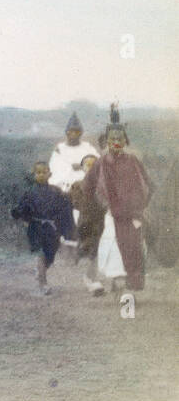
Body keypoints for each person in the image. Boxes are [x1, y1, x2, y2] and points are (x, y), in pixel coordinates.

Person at [81, 110, 151, 292]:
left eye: (120, 140)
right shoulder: (102, 163)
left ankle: (129, 282)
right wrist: (100, 204)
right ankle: (116, 283)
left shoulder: (133, 161)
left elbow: (146, 184)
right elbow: (87, 186)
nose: (116, 143)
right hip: (112, 213)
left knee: (134, 246)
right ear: (107, 141)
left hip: (133, 212)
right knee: (114, 246)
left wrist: (140, 204)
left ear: (125, 141)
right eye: (113, 139)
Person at [11, 161, 76, 294]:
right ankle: (43, 283)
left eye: (43, 172)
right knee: (41, 253)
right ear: (34, 175)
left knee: (50, 256)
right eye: (37, 172)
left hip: (52, 229)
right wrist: (18, 214)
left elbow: (64, 209)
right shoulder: (29, 193)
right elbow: (22, 208)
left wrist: (66, 229)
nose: (41, 175)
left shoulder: (56, 191)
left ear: (49, 174)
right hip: (36, 227)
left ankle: (41, 271)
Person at [70, 154, 106, 294]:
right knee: (90, 248)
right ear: (82, 168)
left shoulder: (103, 186)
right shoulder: (78, 185)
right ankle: (90, 279)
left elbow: (107, 202)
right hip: (85, 221)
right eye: (87, 165)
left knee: (95, 250)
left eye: (94, 165)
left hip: (99, 222)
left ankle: (91, 278)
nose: (91, 168)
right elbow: (74, 203)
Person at [48, 112, 99, 193]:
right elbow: (55, 170)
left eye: (77, 131)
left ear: (81, 132)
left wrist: (82, 167)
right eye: (71, 131)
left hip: (86, 187)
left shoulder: (88, 147)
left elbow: (98, 165)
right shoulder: (60, 149)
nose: (74, 134)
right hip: (64, 188)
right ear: (66, 132)